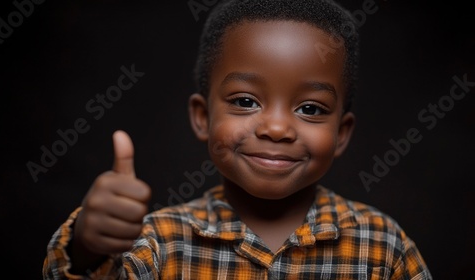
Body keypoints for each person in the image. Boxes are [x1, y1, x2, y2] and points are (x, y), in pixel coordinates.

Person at [43, 0, 432, 279]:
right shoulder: (157, 243)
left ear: (342, 133)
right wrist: (87, 250)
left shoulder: (381, 245)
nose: (277, 128)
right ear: (202, 117)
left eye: (311, 109)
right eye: (245, 101)